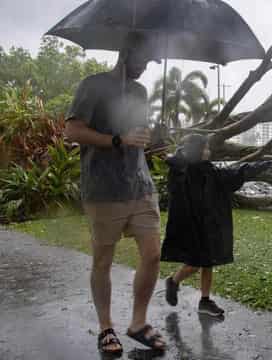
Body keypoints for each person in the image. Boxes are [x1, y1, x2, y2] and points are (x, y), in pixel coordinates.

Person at [64, 32, 167, 356]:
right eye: (144, 59)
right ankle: (106, 327)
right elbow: (73, 131)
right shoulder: (92, 86)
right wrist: (118, 140)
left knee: (152, 254)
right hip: (103, 188)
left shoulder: (140, 91)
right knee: (103, 261)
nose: (147, 66)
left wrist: (152, 140)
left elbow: (137, 136)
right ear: (126, 53)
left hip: (140, 185)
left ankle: (138, 323)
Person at [161, 134, 272, 316]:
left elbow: (230, 175)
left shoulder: (207, 169)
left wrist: (256, 168)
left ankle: (205, 301)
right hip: (191, 225)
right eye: (205, 148)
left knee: (208, 262)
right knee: (195, 263)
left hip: (208, 223)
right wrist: (176, 158)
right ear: (197, 150)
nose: (208, 151)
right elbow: (177, 186)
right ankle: (173, 281)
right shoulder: (181, 169)